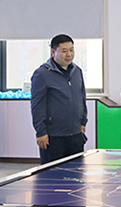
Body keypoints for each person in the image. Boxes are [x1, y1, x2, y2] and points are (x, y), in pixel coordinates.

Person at [30, 34, 87, 164]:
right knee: (53, 174)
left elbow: (82, 98)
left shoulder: (77, 71)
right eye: (64, 51)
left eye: (71, 50)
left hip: (76, 135)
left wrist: (83, 121)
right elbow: (37, 106)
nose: (69, 54)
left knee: (76, 173)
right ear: (53, 52)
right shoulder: (42, 74)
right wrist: (41, 132)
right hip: (53, 136)